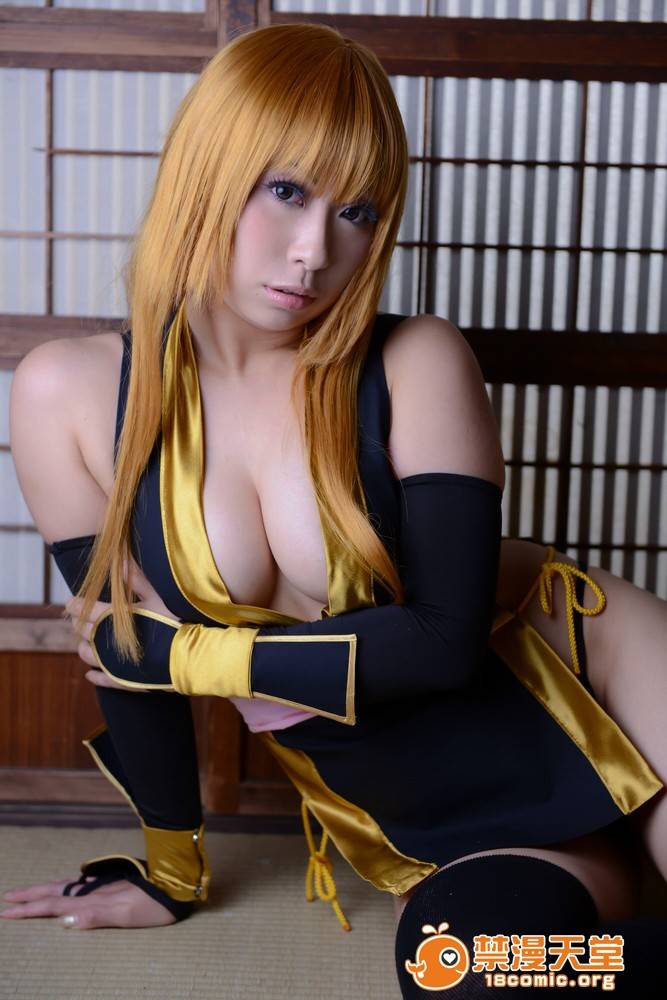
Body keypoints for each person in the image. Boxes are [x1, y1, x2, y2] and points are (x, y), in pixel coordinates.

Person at [4, 21, 667, 996]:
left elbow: (439, 642)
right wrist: (171, 871)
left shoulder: (415, 359)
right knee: (465, 975)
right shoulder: (68, 393)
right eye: (286, 190)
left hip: (600, 671)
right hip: (446, 818)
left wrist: (197, 657)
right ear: (206, 170)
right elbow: (125, 655)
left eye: (355, 211)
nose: (315, 250)